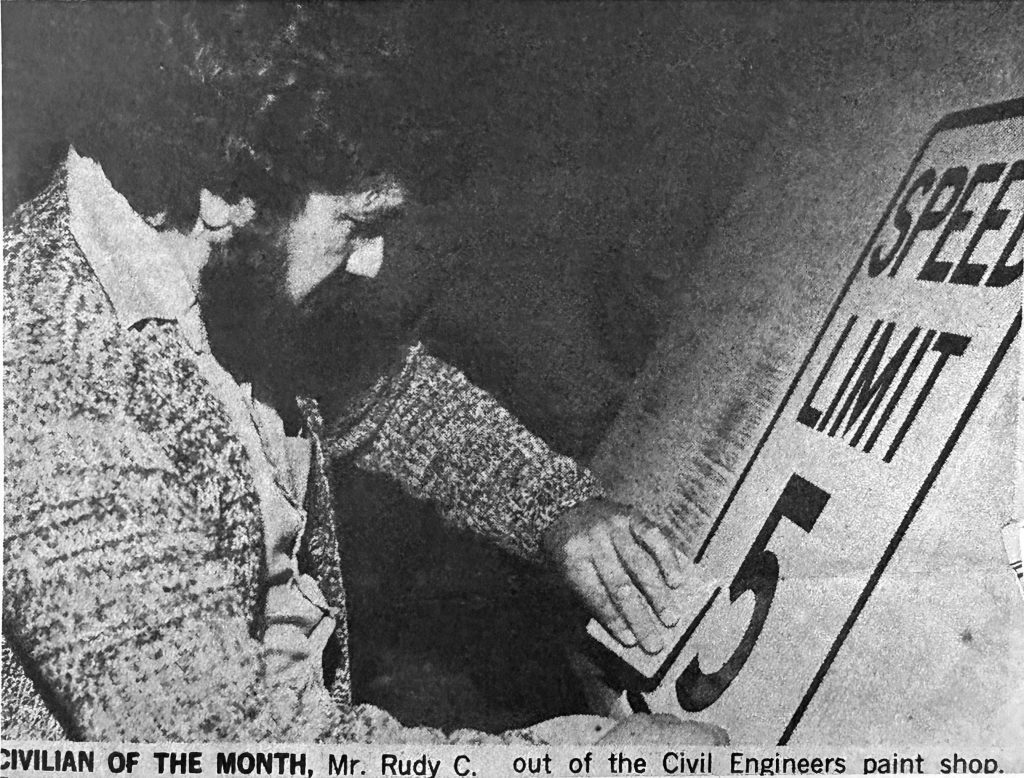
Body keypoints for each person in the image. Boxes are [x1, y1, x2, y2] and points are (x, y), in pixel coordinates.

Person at [2, 2, 724, 744]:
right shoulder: (49, 390)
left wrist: (553, 510)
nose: (373, 263)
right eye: (358, 225)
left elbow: (388, 394)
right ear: (224, 192)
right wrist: (584, 758)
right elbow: (224, 743)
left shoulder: (211, 245)